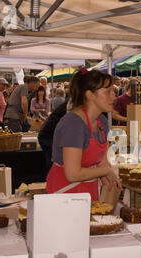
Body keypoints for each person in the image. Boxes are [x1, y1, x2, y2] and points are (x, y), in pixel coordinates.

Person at [46, 69, 121, 199]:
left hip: (88, 193)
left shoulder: (101, 121)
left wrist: (108, 178)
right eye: (108, 91)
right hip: (64, 196)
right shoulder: (73, 124)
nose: (113, 96)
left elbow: (102, 162)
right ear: (90, 95)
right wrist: (106, 171)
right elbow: (73, 174)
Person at [38, 101, 67, 178]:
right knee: (53, 165)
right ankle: (51, 183)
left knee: (52, 164)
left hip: (47, 135)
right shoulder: (71, 106)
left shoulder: (69, 104)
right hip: (48, 136)